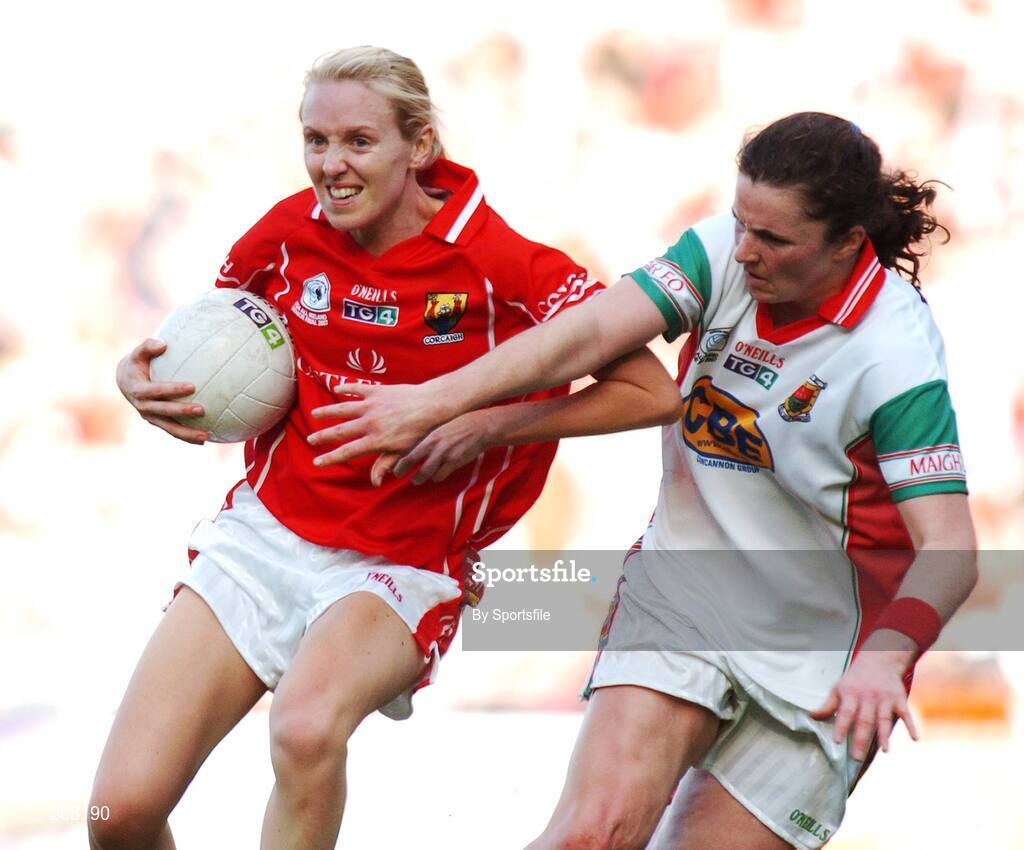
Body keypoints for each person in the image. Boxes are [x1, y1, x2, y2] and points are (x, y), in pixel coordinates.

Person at [312, 112, 978, 850]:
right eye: (741, 222)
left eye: (775, 239)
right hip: (686, 590)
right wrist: (449, 404)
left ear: (849, 243)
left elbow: (950, 548)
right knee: (589, 836)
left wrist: (887, 659)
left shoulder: (893, 356)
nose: (745, 252)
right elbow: (593, 333)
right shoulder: (724, 249)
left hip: (827, 653)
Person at [91, 46, 680, 850]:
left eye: (358, 142)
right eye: (315, 140)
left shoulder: (501, 262)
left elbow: (653, 392)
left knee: (303, 728)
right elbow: (210, 342)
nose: (330, 166)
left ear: (421, 146)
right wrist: (136, 372)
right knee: (118, 816)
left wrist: (483, 423)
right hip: (263, 540)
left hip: (402, 564)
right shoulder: (286, 231)